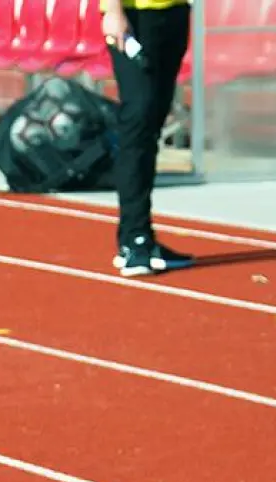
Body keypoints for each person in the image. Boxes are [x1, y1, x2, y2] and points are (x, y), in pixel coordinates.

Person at [102, 0, 196, 276]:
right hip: (135, 16)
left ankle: (138, 233)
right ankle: (135, 239)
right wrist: (113, 11)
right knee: (138, 119)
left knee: (151, 122)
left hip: (174, 12)